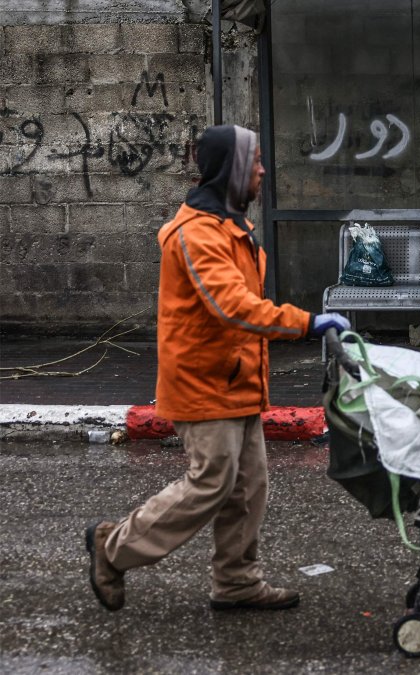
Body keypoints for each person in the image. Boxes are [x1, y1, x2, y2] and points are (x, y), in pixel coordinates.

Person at [85, 125, 350, 612]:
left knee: (247, 487)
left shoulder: (228, 224)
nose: (263, 171)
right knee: (212, 482)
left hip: (236, 378)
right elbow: (231, 305)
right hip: (203, 383)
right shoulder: (197, 233)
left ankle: (237, 582)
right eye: (255, 162)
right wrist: (306, 322)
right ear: (231, 169)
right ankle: (113, 546)